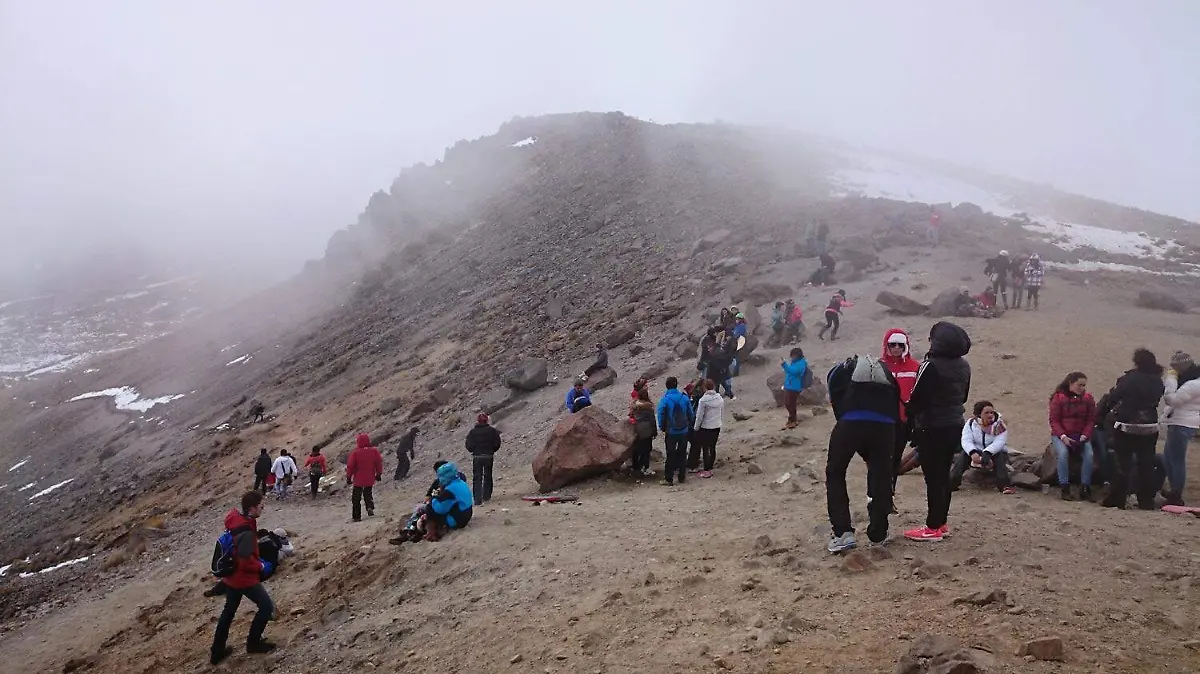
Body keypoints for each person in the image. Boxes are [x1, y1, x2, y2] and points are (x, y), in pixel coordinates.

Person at [824, 352, 902, 553]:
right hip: (884, 427)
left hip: (850, 422)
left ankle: (843, 533)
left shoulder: (840, 372)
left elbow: (836, 401)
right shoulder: (886, 376)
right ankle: (878, 533)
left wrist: (844, 422)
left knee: (836, 472)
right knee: (881, 474)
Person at [903, 322, 972, 542]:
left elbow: (916, 399)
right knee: (943, 476)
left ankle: (932, 527)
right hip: (955, 425)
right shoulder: (964, 365)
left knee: (933, 478)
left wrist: (909, 421)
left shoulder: (930, 365)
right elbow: (963, 397)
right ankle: (940, 523)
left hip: (931, 427)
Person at [209, 491, 275, 664]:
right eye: (262, 506)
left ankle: (217, 652)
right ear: (253, 508)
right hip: (243, 578)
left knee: (228, 612)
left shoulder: (237, 520)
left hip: (231, 577)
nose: (263, 508)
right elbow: (245, 561)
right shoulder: (245, 530)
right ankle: (253, 643)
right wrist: (261, 566)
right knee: (266, 607)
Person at [1100, 349, 1166, 510]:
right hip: (1150, 426)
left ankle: (1118, 499)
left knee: (1123, 464)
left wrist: (1102, 415)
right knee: (1146, 464)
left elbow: (1114, 397)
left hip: (1128, 426)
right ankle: (1145, 501)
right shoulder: (1157, 381)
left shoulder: (1130, 379)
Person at [880, 329, 921, 497]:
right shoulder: (879, 366)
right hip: (883, 420)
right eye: (892, 345)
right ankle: (878, 495)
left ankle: (889, 495)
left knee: (895, 457)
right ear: (886, 346)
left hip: (905, 421)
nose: (896, 348)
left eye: (900, 345)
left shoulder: (915, 367)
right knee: (881, 458)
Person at [1048, 372, 1098, 501]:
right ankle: (1064, 486)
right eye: (1079, 385)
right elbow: (1054, 420)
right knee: (1063, 454)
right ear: (1071, 383)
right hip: (1061, 435)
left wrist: (1084, 435)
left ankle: (1085, 486)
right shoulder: (1058, 398)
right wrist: (1063, 436)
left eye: (1083, 385)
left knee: (1089, 455)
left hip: (1080, 435)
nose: (1081, 388)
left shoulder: (1088, 398)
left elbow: (1091, 420)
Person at [950, 401, 1014, 494]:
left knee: (999, 456)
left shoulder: (999, 425)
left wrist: (988, 452)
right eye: (986, 413)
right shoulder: (971, 424)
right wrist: (972, 452)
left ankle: (1004, 485)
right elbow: (966, 440)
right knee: (963, 455)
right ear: (979, 414)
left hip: (994, 452)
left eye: (991, 412)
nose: (990, 415)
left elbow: (999, 442)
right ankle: (952, 483)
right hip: (977, 451)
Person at [1162, 351, 1200, 506]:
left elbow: (1172, 399)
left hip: (1182, 424)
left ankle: (1176, 493)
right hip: (1181, 422)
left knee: (1176, 461)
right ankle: (1174, 490)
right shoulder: (1190, 381)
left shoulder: (1193, 385)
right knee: (1167, 458)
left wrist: (1171, 379)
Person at [656, 377, 696, 486]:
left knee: (670, 454)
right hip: (683, 430)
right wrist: (688, 424)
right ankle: (682, 476)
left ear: (667, 386)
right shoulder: (684, 398)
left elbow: (661, 415)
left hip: (671, 431)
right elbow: (691, 413)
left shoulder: (665, 399)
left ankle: (669, 479)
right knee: (682, 453)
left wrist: (662, 427)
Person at [427, 462, 474, 540]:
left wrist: (433, 498)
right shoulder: (460, 482)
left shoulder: (449, 490)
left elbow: (439, 509)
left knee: (429, 509)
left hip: (458, 520)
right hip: (467, 513)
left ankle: (432, 534)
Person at [465, 413, 502, 506]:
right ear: (487, 421)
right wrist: (492, 450)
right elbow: (497, 443)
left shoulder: (472, 432)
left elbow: (469, 445)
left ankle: (477, 499)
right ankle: (486, 496)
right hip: (488, 456)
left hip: (477, 456)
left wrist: (474, 450)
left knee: (477, 477)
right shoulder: (492, 431)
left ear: (477, 421)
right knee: (488, 476)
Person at [346, 433, 383, 522]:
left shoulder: (355, 453)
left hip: (358, 479)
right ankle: (369, 506)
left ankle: (357, 516)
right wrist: (378, 474)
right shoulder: (374, 451)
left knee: (356, 498)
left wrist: (348, 477)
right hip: (370, 477)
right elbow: (378, 463)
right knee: (368, 492)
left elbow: (350, 466)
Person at [691, 379, 725, 478]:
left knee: (706, 449)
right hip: (716, 426)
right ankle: (710, 468)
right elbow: (721, 412)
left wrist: (696, 428)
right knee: (712, 447)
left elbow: (699, 416)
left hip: (706, 427)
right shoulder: (719, 398)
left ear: (704, 388)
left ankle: (706, 470)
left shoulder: (703, 400)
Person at [629, 388, 657, 476]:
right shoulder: (648, 407)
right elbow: (652, 420)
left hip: (636, 428)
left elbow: (630, 416)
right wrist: (654, 431)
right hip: (647, 429)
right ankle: (645, 467)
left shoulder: (634, 406)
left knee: (637, 449)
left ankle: (636, 467)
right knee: (647, 449)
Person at [780, 348, 809, 429]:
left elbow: (794, 372)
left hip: (795, 387)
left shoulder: (801, 363)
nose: (792, 357)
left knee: (790, 403)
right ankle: (792, 419)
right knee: (788, 403)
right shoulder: (795, 362)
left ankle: (792, 420)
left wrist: (784, 365)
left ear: (797, 355)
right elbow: (789, 372)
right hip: (789, 386)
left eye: (793, 355)